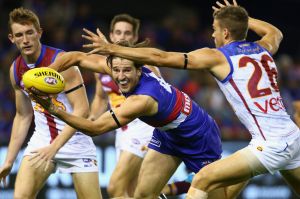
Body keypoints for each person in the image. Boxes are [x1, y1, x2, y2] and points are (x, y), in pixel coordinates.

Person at [81, 0, 300, 198]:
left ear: (225, 32)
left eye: (214, 30)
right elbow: (275, 32)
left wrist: (113, 48)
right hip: (293, 137)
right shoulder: (263, 48)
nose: (212, 35)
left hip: (270, 144)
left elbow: (161, 57)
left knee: (203, 180)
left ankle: (232, 177)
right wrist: (243, 19)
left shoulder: (218, 57)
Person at [29, 40, 247, 199]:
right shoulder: (123, 64)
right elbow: (77, 57)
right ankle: (186, 185)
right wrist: (43, 76)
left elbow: (95, 128)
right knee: (143, 195)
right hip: (168, 134)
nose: (121, 76)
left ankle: (245, 170)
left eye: (126, 71)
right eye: (116, 71)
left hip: (199, 136)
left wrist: (55, 110)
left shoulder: (142, 100)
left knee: (222, 198)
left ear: (139, 70)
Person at [0, 7, 102, 199]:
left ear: (39, 33)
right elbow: (23, 116)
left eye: (30, 32)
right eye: (19, 35)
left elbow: (83, 111)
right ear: (11, 38)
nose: (25, 39)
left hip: (76, 141)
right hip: (42, 140)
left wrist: (54, 147)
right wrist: (8, 160)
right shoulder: (16, 69)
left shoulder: (62, 62)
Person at [89, 14, 157, 198]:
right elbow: (100, 98)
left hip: (143, 127)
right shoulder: (103, 66)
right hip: (123, 131)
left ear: (134, 38)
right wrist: (92, 119)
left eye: (127, 33)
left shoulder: (143, 63)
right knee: (133, 191)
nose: (122, 37)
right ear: (111, 35)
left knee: (115, 187)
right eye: (118, 32)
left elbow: (159, 92)